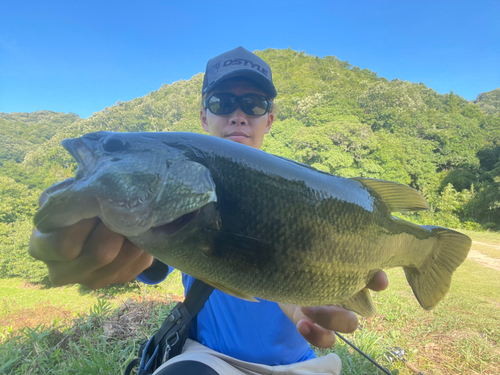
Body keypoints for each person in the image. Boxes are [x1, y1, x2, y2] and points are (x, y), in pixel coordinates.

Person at [29, 47, 388, 375]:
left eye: (254, 104)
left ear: (270, 119)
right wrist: (105, 233)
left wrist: (300, 305)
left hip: (298, 365)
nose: (238, 116)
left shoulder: (308, 191)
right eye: (222, 103)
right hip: (207, 359)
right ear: (203, 116)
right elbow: (150, 261)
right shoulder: (177, 184)